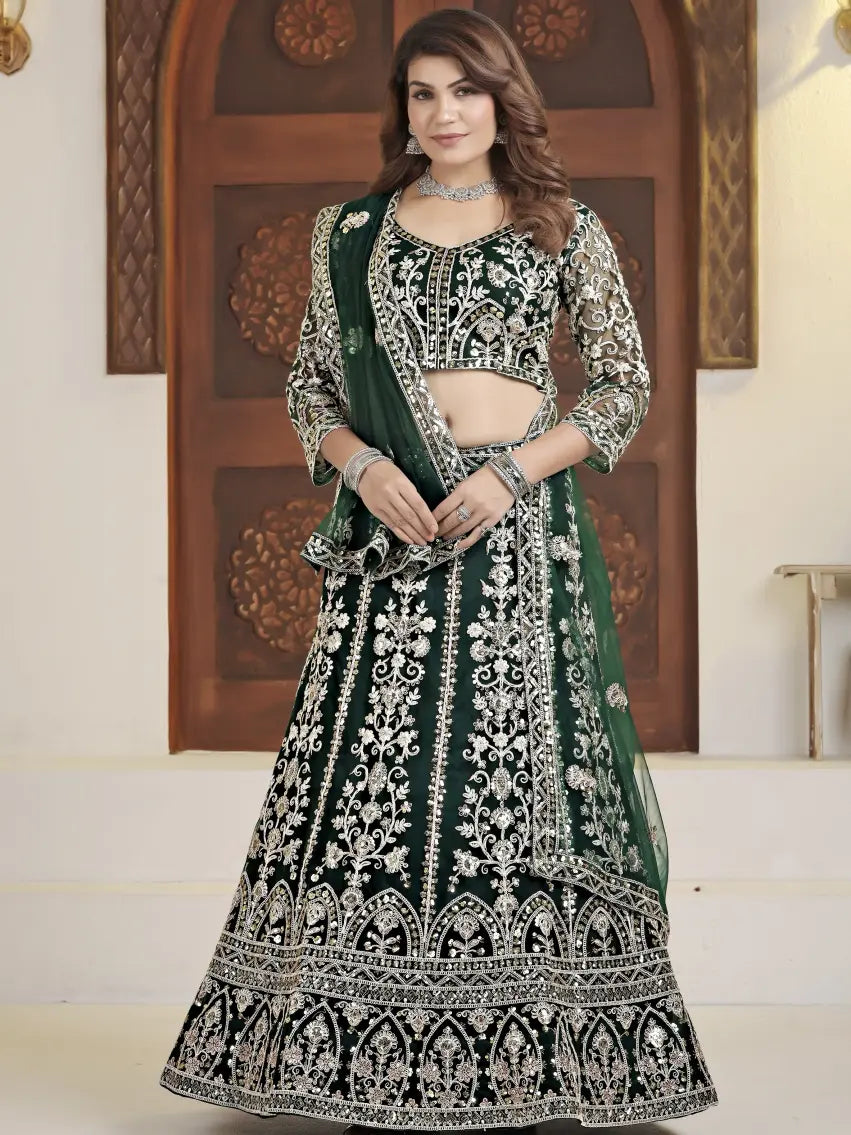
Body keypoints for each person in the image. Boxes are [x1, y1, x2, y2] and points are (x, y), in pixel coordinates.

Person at [159, 8, 718, 1130]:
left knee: (515, 776)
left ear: (502, 98)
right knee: (375, 776)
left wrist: (510, 474)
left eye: (463, 90)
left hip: (511, 536)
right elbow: (311, 390)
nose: (442, 113)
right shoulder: (350, 235)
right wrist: (363, 468)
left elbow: (620, 389)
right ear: (401, 109)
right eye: (420, 93)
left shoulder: (561, 224)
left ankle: (548, 1050)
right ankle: (342, 1050)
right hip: (392, 534)